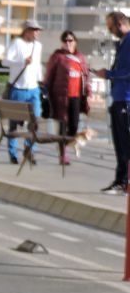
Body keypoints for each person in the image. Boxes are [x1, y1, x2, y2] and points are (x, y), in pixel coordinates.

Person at [43, 30, 91, 166]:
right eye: (65, 41)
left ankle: (65, 145)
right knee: (62, 126)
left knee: (74, 126)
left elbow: (86, 78)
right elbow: (49, 75)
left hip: (76, 97)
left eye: (70, 40)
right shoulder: (57, 56)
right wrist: (45, 91)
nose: (68, 43)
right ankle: (63, 154)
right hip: (61, 97)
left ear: (75, 42)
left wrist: (88, 95)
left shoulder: (80, 58)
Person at [95, 11, 130, 194]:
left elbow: (128, 72)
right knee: (119, 142)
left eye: (110, 27)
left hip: (126, 99)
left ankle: (124, 181)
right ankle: (120, 180)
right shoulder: (122, 43)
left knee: (125, 142)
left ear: (119, 23)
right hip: (117, 98)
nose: (109, 31)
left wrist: (108, 74)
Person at [2, 19, 43, 165]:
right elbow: (4, 61)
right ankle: (12, 153)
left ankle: (29, 150)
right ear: (27, 31)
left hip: (33, 89)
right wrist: (21, 63)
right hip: (18, 88)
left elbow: (37, 66)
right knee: (14, 123)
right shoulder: (16, 43)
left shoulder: (38, 46)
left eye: (38, 30)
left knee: (35, 121)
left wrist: (41, 81)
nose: (37, 33)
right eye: (34, 30)